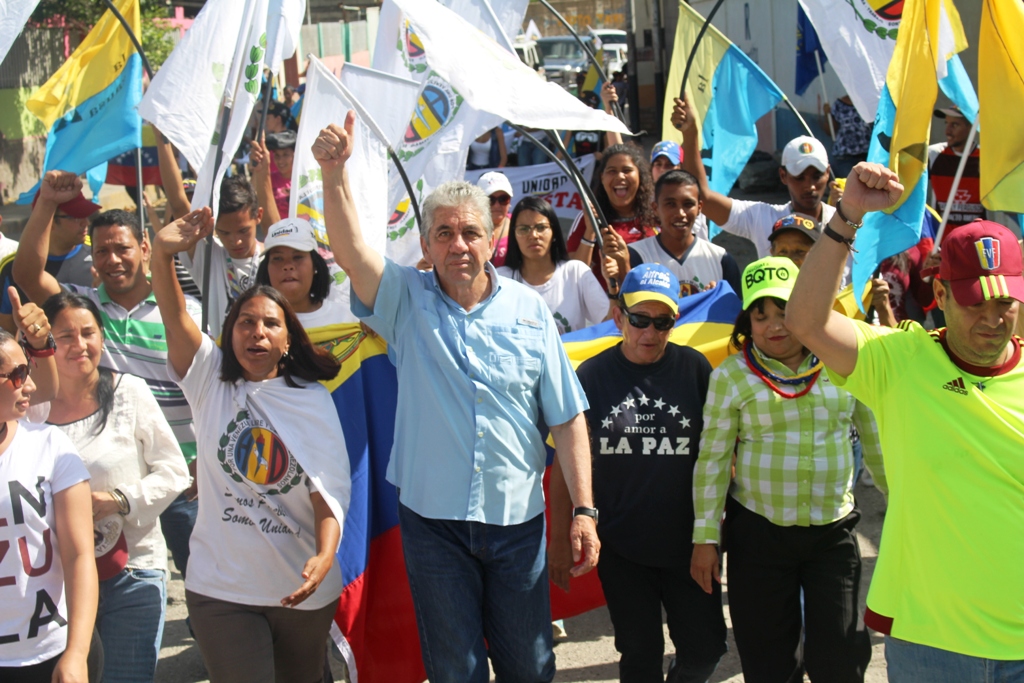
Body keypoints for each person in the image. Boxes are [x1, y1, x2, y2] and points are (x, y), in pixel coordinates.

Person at [315, 112, 599, 683]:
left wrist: (585, 511)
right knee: (455, 671)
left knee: (531, 668)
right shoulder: (404, 300)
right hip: (433, 526)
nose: (458, 244)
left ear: (493, 238)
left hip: (518, 524)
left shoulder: (530, 311)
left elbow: (568, 419)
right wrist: (333, 173)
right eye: (443, 233)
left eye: (470, 232)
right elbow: (349, 250)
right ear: (425, 243)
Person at [786, 162, 1024, 681]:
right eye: (974, 301)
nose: (991, 318)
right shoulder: (899, 362)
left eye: (1005, 302)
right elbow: (805, 322)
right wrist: (848, 215)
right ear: (939, 297)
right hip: (932, 647)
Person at [150, 207, 352, 682]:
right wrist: (161, 253)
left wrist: (324, 556)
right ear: (229, 333)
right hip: (220, 590)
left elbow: (329, 490)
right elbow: (175, 313)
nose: (256, 332)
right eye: (245, 322)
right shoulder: (208, 382)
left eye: (269, 324)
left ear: (287, 340)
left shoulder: (314, 401)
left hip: (301, 591)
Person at [692, 255, 886, 683]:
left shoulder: (846, 362)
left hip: (832, 533)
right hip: (759, 535)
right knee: (768, 665)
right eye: (760, 316)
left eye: (784, 311)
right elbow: (713, 460)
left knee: (841, 661)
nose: (774, 326)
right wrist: (705, 537)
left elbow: (876, 445)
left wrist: (905, 511)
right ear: (747, 321)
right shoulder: (730, 376)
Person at [12, 172, 203, 579]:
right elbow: (27, 274)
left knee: (206, 589)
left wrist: (207, 457)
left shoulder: (180, 311)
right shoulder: (82, 313)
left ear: (145, 247)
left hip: (183, 475)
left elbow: (205, 385)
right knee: (129, 578)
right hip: (114, 475)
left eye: (122, 248)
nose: (112, 260)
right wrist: (46, 202)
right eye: (101, 251)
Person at [551, 263, 728, 683]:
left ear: (675, 321)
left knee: (706, 650)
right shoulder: (591, 375)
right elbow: (564, 460)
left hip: (688, 545)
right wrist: (560, 536)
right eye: (639, 320)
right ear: (618, 317)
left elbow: (720, 454)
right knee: (639, 655)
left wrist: (714, 534)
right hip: (622, 547)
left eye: (662, 322)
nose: (649, 333)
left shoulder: (695, 369)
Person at [42, 292, 189, 683]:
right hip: (58, 584)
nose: (80, 345)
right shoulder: (33, 411)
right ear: (47, 344)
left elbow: (175, 471)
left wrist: (120, 500)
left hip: (133, 573)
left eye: (88, 333)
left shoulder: (131, 392)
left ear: (102, 337)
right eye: (66, 336)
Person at [0, 289, 101, 683]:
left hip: (50, 653)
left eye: (29, 370)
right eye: (18, 375)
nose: (29, 386)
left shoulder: (49, 444)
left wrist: (76, 653)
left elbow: (79, 557)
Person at [672, 97, 835, 259]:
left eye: (817, 176)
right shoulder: (763, 218)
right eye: (799, 177)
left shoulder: (845, 223)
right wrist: (690, 133)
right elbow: (704, 199)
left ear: (828, 173)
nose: (810, 186)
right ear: (783, 176)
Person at [497, 196, 610, 334]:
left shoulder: (576, 272)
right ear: (514, 235)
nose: (533, 235)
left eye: (541, 227)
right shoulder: (501, 279)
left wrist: (614, 288)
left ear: (554, 232)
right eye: (523, 229)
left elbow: (609, 325)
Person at [0, 188, 100, 331]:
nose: (86, 222)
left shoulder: (100, 254)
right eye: (76, 216)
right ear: (50, 220)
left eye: (86, 215)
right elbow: (7, 335)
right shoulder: (15, 267)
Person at [177, 175, 264, 338]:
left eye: (243, 231)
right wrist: (164, 148)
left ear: (258, 216)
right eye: (224, 232)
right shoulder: (209, 259)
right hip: (224, 359)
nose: (235, 241)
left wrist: (263, 173)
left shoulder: (272, 259)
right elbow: (178, 204)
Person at [627, 170, 739, 296]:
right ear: (655, 208)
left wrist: (714, 303)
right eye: (670, 204)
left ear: (699, 208)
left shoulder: (721, 259)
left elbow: (738, 313)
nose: (680, 213)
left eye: (688, 204)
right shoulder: (636, 256)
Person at [566, 143, 659, 292]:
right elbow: (573, 276)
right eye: (612, 171)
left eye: (627, 170)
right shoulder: (587, 217)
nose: (620, 176)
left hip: (651, 303)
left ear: (640, 176)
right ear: (602, 177)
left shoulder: (657, 215)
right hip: (604, 309)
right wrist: (590, 232)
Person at [254, 217, 356, 326]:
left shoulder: (348, 318)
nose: (288, 266)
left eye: (297, 257)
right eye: (278, 258)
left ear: (315, 266)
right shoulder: (254, 323)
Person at [928, 106, 984, 229]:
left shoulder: (985, 158)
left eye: (954, 125)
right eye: (946, 123)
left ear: (970, 127)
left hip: (976, 241)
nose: (947, 131)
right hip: (941, 242)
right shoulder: (933, 154)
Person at [251, 129, 295, 229]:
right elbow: (250, 195)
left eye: (285, 155)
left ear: (294, 154)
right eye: (277, 156)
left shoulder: (303, 180)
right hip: (275, 235)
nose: (280, 161)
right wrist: (257, 169)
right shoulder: (268, 179)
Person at [823, 95, 871, 178]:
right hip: (845, 157)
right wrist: (827, 115)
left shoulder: (870, 103)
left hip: (867, 155)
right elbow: (830, 131)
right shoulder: (838, 105)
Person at [476, 172, 513, 267]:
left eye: (503, 199)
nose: (497, 205)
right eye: (490, 200)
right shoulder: (468, 227)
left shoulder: (520, 223)